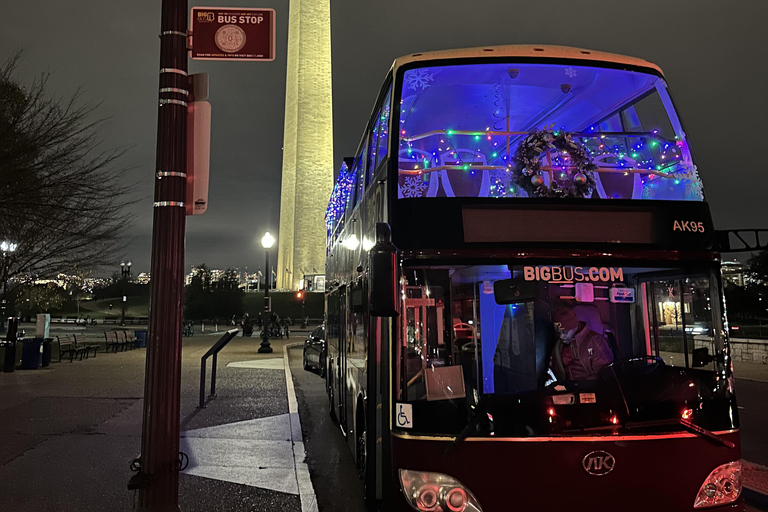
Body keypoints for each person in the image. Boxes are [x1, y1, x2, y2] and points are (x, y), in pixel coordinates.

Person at [551, 306, 613, 381]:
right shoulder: (559, 347)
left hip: (590, 388)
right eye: (558, 333)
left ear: (574, 327)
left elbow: (603, 373)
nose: (561, 336)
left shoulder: (595, 341)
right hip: (568, 389)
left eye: (565, 332)